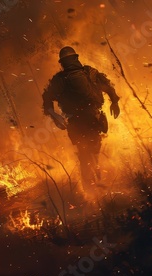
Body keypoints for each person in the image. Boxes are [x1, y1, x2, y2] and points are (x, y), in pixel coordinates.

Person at [42, 46, 120, 187]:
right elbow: (107, 86)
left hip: (79, 120)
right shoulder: (89, 72)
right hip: (89, 119)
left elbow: (47, 100)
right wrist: (114, 102)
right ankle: (97, 185)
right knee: (91, 151)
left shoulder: (60, 79)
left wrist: (55, 116)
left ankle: (94, 185)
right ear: (76, 58)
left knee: (86, 153)